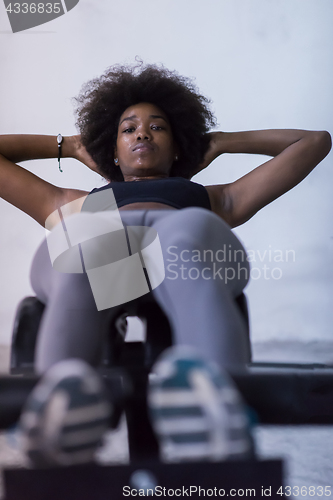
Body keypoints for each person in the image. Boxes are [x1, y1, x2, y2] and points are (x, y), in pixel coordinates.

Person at [1, 63, 331, 466]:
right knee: (86, 243)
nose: (142, 132)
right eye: (128, 129)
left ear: (178, 147)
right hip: (101, 244)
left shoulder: (215, 198)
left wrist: (221, 142)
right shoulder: (72, 201)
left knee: (182, 239)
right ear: (111, 152)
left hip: (180, 240)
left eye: (158, 126)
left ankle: (215, 417)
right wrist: (68, 146)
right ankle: (61, 417)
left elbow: (314, 141)